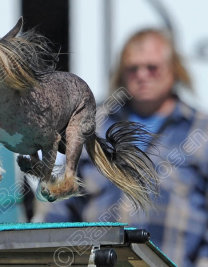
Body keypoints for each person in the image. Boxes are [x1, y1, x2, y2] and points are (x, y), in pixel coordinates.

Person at [44, 28, 208, 267]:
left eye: (152, 67)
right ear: (122, 73)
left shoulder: (200, 131)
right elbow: (60, 208)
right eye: (133, 68)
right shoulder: (92, 125)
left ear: (174, 71)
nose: (142, 75)